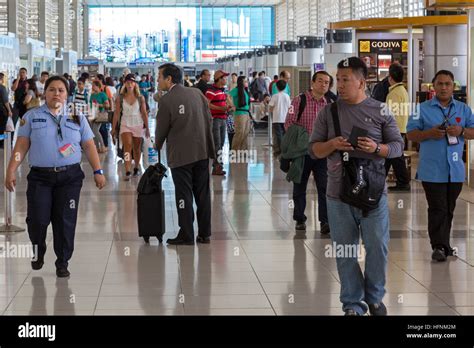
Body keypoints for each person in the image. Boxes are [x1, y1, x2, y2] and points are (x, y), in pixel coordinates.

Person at [310, 57, 404, 316]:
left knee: (377, 247)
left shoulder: (381, 110)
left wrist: (377, 148)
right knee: (345, 251)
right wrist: (332, 145)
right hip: (337, 194)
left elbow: (398, 146)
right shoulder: (328, 112)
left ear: (362, 82)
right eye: (337, 79)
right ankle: (352, 303)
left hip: (373, 193)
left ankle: (374, 297)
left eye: (345, 80)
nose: (339, 85)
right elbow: (314, 150)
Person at [4, 75, 106, 278]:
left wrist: (98, 171)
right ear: (45, 93)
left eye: (61, 90)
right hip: (40, 178)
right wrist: (11, 169)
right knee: (37, 220)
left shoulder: (77, 116)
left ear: (67, 94)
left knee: (65, 220)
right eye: (52, 89)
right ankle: (38, 251)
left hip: (70, 178)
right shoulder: (32, 116)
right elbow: (22, 145)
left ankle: (62, 261)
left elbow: (88, 144)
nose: (56, 93)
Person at [407, 70, 474, 262]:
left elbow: (473, 131)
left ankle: (445, 244)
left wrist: (461, 130)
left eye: (448, 84)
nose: (444, 87)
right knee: (438, 208)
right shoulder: (422, 109)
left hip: (455, 170)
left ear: (453, 87)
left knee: (449, 208)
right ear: (433, 86)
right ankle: (438, 246)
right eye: (440, 84)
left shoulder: (463, 109)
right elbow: (410, 134)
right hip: (432, 170)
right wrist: (428, 133)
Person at [155, 63, 215, 245]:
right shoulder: (197, 93)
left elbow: (161, 131)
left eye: (159, 77)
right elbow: (208, 119)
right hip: (202, 152)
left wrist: (156, 146)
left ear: (169, 79)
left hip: (181, 156)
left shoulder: (166, 100)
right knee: (202, 194)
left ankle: (187, 233)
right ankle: (205, 233)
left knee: (184, 196)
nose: (157, 80)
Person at [284, 71, 332, 234]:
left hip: (322, 152)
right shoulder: (299, 100)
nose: (323, 85)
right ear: (312, 83)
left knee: (324, 187)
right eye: (320, 81)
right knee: (300, 185)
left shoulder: (330, 103)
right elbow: (288, 123)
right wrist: (302, 139)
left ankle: (325, 221)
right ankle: (299, 218)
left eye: (326, 82)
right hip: (302, 152)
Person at [111, 74, 149, 181]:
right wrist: (113, 129)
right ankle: (127, 169)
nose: (130, 84)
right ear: (124, 84)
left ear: (135, 84)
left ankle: (136, 166)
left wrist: (148, 129)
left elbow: (144, 113)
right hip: (125, 124)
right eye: (127, 82)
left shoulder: (140, 98)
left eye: (132, 82)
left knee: (137, 149)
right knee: (127, 147)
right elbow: (116, 114)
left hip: (138, 124)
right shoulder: (120, 98)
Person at [384, 63, 411, 191]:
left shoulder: (394, 93)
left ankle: (404, 182)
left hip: (393, 129)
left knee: (395, 157)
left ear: (390, 77)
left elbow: (389, 115)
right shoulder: (402, 91)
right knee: (391, 156)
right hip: (400, 128)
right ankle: (382, 179)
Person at [205, 70, 231, 176]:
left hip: (223, 119)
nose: (226, 80)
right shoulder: (211, 91)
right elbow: (207, 104)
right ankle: (217, 167)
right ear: (219, 79)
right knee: (217, 144)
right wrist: (221, 108)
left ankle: (218, 165)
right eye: (224, 78)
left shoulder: (222, 91)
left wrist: (228, 107)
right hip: (215, 120)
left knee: (221, 144)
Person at [228, 76, 251, 151]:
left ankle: (243, 150)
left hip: (246, 113)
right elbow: (227, 96)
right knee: (239, 133)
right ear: (241, 82)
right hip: (239, 113)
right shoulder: (237, 90)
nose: (246, 82)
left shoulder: (245, 91)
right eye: (245, 81)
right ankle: (235, 150)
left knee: (245, 133)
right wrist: (232, 105)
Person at [269, 80, 291, 156]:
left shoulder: (275, 96)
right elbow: (289, 108)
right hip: (285, 118)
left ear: (277, 87)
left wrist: (272, 110)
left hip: (276, 118)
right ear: (285, 87)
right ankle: (285, 150)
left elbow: (270, 108)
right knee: (284, 134)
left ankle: (280, 151)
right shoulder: (287, 96)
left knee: (278, 135)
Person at [0, 72, 13, 148]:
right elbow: (5, 101)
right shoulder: (2, 88)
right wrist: (9, 111)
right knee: (2, 127)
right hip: (1, 110)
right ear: (1, 79)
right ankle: (1, 143)